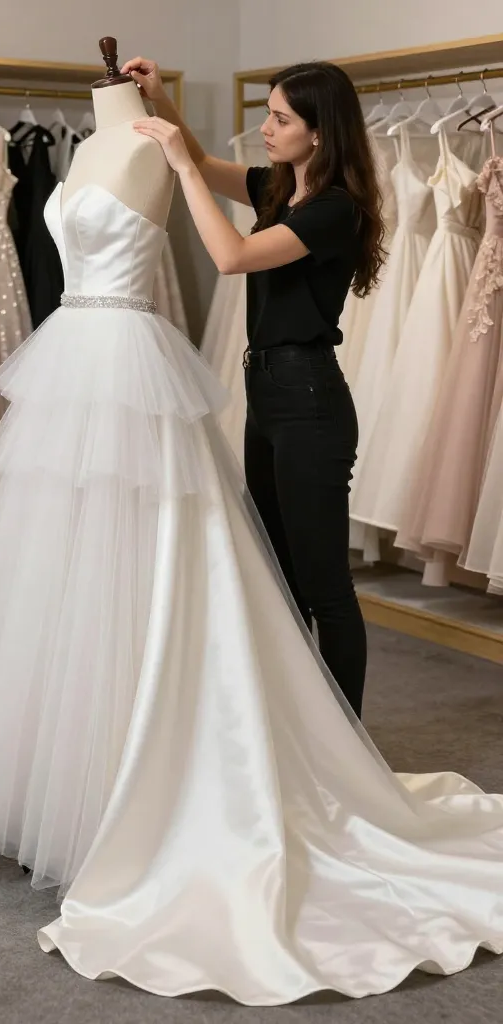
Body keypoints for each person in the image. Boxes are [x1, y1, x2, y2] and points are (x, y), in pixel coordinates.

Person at [126, 57, 386, 717]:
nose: (266, 128)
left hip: (309, 403)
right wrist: (158, 98)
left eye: (280, 119)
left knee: (324, 587)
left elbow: (231, 257)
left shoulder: (333, 211)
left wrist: (183, 170)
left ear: (319, 133)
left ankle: (347, 743)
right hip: (270, 397)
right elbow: (206, 160)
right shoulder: (281, 189)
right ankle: (302, 733)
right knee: (281, 584)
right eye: (267, 113)